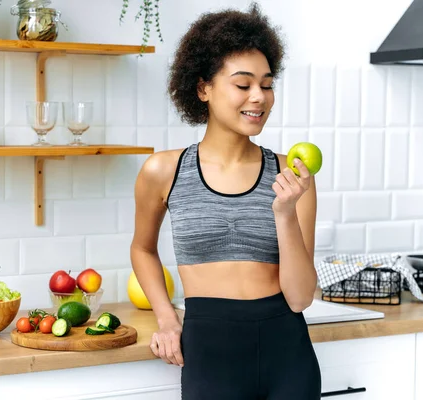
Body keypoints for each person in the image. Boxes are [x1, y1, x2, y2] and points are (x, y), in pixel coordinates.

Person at [130, 3, 321, 399]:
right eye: (243, 83)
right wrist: (166, 318)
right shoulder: (163, 170)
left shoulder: (292, 174)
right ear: (203, 88)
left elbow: (301, 297)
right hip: (208, 351)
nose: (259, 97)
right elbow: (142, 248)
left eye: (267, 84)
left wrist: (285, 214)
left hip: (288, 353)